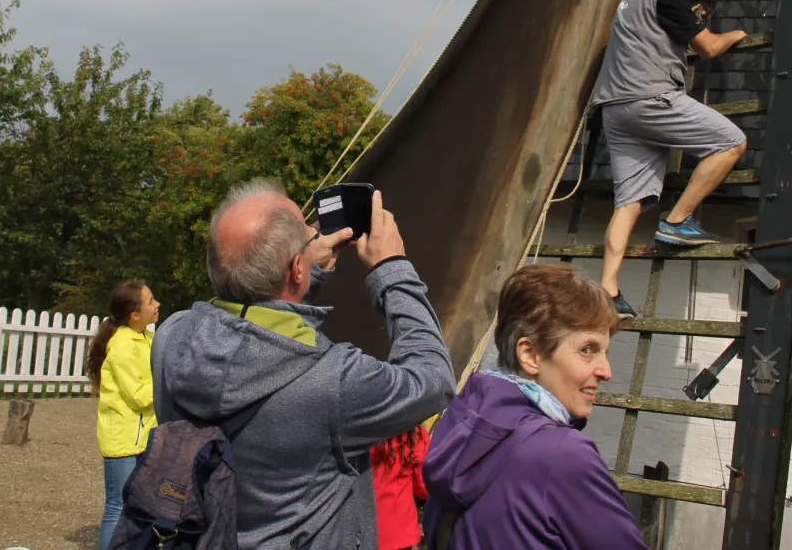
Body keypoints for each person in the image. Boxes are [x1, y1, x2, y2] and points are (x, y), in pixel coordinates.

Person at [152, 179, 456, 550]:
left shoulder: (171, 337)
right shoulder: (331, 380)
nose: (314, 235)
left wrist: (306, 272)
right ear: (297, 267)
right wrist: (393, 269)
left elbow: (247, 330)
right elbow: (433, 378)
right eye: (308, 236)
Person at [422, 264, 651, 550]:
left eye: (605, 352)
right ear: (530, 355)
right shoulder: (563, 455)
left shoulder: (461, 423)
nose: (606, 371)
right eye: (587, 350)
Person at [590, 0, 749, 316]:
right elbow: (709, 48)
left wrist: (688, 20)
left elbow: (652, 34)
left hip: (615, 107)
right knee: (732, 142)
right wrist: (733, 34)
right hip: (650, 97)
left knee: (629, 201)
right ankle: (677, 221)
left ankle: (609, 291)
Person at [85, 280, 161, 550]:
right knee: (117, 506)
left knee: (141, 505)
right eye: (150, 301)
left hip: (144, 437)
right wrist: (166, 382)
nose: (157, 304)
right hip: (123, 441)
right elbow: (138, 396)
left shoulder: (148, 338)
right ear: (134, 314)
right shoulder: (121, 346)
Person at [372, 425, 431, 550]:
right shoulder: (415, 432)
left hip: (362, 526)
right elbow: (423, 487)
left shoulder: (358, 430)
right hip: (400, 529)